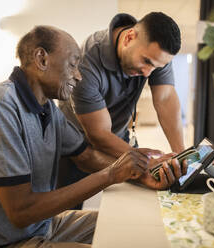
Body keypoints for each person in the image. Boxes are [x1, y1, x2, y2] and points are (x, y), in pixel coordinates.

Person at [0, 25, 180, 248]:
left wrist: (140, 174)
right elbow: (21, 212)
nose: (78, 77)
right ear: (41, 59)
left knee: (132, 228)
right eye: (73, 65)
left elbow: (86, 156)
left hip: (40, 227)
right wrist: (111, 174)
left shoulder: (49, 110)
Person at [59, 12, 185, 194]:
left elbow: (165, 99)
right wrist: (146, 163)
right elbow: (99, 134)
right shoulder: (86, 62)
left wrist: (182, 156)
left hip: (117, 136)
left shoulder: (157, 55)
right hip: (77, 143)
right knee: (68, 205)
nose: (148, 73)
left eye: (156, 67)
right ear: (129, 38)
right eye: (146, 62)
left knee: (135, 196)